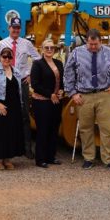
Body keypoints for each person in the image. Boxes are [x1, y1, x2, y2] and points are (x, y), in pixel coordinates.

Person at [63, 29, 110, 172]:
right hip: (84, 96)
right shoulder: (76, 53)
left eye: (96, 44)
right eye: (90, 44)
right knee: (85, 128)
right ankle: (88, 158)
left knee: (108, 128)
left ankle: (108, 159)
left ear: (101, 41)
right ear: (86, 41)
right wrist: (73, 94)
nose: (93, 47)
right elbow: (68, 74)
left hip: (105, 94)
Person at [0, 16, 40, 158]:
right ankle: (8, 148)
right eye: (14, 27)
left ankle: (27, 148)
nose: (16, 30)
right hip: (5, 83)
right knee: (7, 115)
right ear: (9, 28)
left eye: (18, 28)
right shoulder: (0, 44)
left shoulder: (27, 44)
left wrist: (31, 74)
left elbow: (38, 59)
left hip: (22, 83)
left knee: (24, 115)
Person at [0, 46, 25, 170]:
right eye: (4, 56)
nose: (7, 59)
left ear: (12, 58)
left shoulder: (16, 71)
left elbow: (19, 90)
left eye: (9, 57)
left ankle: (6, 158)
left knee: (10, 132)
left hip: (14, 106)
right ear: (0, 57)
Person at [30, 39, 64, 168]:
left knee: (54, 129)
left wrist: (62, 90)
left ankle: (51, 156)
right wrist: (50, 94)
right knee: (43, 130)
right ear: (42, 49)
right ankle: (40, 159)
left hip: (56, 101)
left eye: (52, 47)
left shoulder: (59, 63)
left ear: (55, 49)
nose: (49, 50)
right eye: (47, 47)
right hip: (42, 102)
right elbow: (35, 84)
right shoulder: (37, 64)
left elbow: (62, 80)